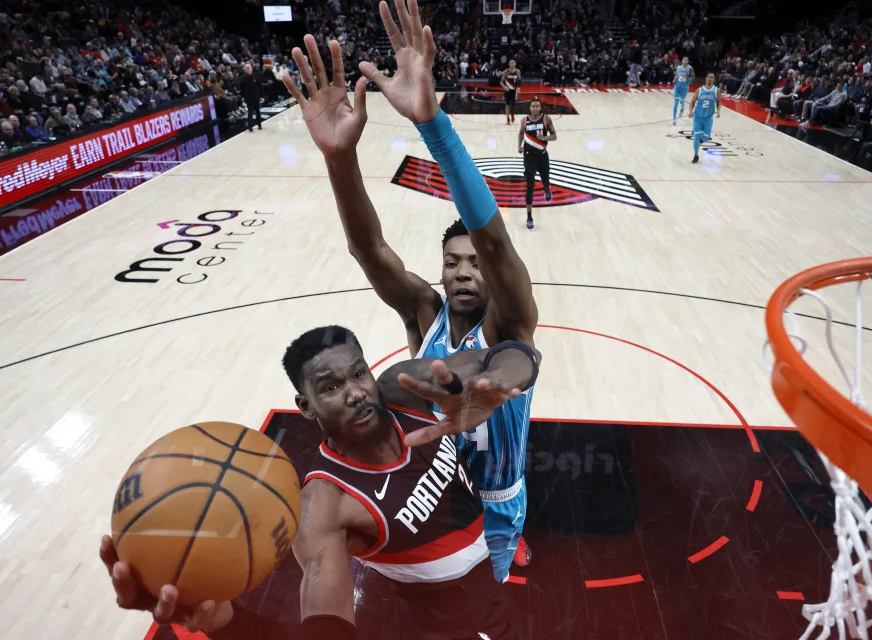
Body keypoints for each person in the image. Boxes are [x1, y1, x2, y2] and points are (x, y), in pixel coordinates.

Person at [282, 0, 539, 584]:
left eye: (474, 263)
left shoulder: (511, 320)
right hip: (431, 481)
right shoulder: (424, 309)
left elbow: (497, 246)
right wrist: (340, 157)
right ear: (441, 272)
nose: (466, 272)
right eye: (453, 264)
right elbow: (368, 250)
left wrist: (434, 126)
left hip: (497, 492)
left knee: (493, 581)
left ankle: (512, 537)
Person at [100, 325, 538, 639]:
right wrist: (224, 624)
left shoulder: (402, 389)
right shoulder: (326, 505)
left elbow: (519, 353)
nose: (355, 392)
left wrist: (498, 381)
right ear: (306, 408)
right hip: (448, 626)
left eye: (358, 373)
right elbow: (324, 627)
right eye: (330, 388)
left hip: (489, 584)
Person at [518, 97, 557, 230]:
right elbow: (521, 133)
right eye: (533, 106)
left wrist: (544, 138)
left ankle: (547, 189)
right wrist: (519, 145)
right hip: (529, 157)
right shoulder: (524, 120)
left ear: (540, 108)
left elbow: (554, 136)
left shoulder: (546, 119)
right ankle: (529, 216)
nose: (535, 108)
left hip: (542, 156)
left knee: (545, 180)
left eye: (537, 106)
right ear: (529, 108)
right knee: (530, 186)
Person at [689, 72, 721, 164]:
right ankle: (696, 155)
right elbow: (692, 103)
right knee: (696, 137)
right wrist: (691, 111)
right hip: (698, 118)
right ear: (706, 78)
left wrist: (718, 111)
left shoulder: (716, 90)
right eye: (709, 77)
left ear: (714, 79)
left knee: (705, 138)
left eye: (712, 77)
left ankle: (701, 138)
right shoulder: (699, 90)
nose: (710, 79)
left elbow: (719, 102)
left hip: (708, 118)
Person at [240, 63, 265, 132]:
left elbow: (260, 87)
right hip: (248, 98)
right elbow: (241, 89)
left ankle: (259, 125)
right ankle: (250, 127)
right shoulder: (243, 78)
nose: (248, 69)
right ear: (245, 70)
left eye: (249, 68)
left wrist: (262, 96)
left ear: (251, 69)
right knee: (250, 112)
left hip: (256, 97)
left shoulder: (256, 76)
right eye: (247, 68)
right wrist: (242, 97)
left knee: (258, 112)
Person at [672, 55, 694, 125]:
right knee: (675, 103)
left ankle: (682, 110)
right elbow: (676, 75)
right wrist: (675, 79)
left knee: (682, 101)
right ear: (682, 61)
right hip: (677, 87)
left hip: (684, 88)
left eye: (686, 60)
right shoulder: (678, 68)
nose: (685, 61)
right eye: (684, 60)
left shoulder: (690, 68)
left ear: (688, 61)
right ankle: (674, 118)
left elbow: (693, 78)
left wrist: (687, 78)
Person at [500, 60, 521, 125]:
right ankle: (507, 119)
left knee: (513, 104)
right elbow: (501, 82)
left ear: (515, 64)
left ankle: (512, 114)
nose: (512, 64)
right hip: (507, 90)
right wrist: (504, 87)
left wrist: (518, 87)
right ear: (509, 64)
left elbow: (519, 80)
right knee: (507, 104)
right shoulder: (506, 71)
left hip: (514, 90)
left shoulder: (517, 71)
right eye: (511, 63)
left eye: (513, 63)